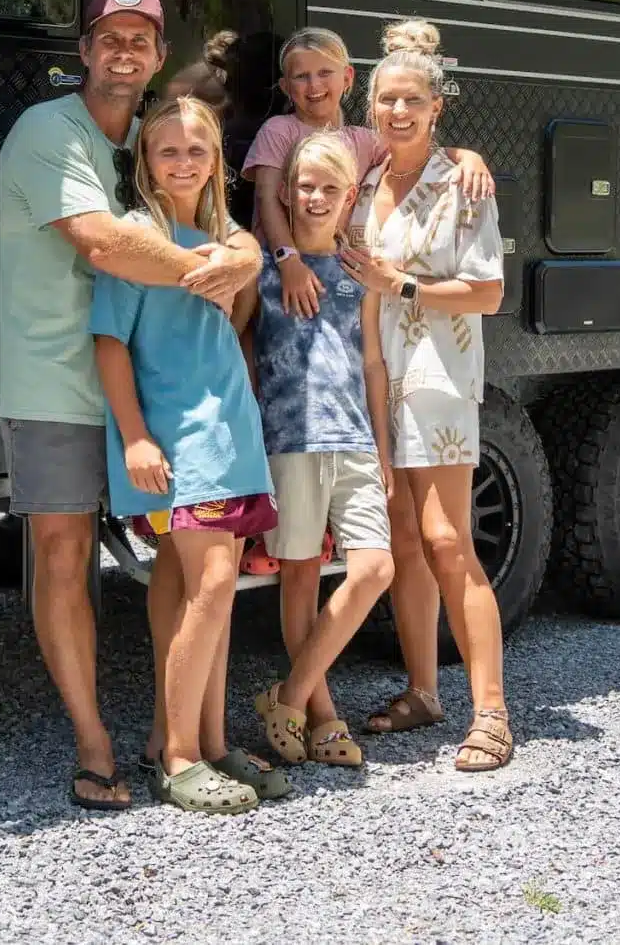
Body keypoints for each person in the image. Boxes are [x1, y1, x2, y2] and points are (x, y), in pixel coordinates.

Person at [0, 0, 263, 812]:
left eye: (142, 40)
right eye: (111, 37)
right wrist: (223, 269)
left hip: (154, 391)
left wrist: (246, 251)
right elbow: (107, 243)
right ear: (85, 51)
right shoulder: (48, 131)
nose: (125, 51)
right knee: (64, 559)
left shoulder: (153, 137)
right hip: (54, 381)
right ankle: (93, 742)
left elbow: (211, 207)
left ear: (156, 57)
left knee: (183, 560)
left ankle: (174, 738)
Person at [92, 95, 284, 815]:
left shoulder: (222, 232)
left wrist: (242, 255)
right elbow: (109, 341)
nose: (182, 161)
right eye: (166, 149)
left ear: (216, 162)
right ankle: (177, 757)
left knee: (196, 584)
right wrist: (136, 434)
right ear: (146, 159)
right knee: (214, 581)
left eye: (196, 150)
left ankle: (206, 739)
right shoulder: (141, 237)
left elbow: (245, 258)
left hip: (226, 431)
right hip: (179, 436)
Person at [341, 19, 515, 773]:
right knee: (404, 539)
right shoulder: (369, 180)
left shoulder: (463, 183)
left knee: (448, 541)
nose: (398, 112)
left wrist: (401, 283)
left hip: (439, 382)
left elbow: (489, 292)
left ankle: (493, 713)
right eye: (386, 100)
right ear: (371, 108)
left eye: (412, 99)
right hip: (375, 380)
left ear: (437, 106)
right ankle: (423, 690)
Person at [244, 129, 396, 771]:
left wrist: (384, 449)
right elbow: (246, 351)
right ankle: (324, 714)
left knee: (373, 570)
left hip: (354, 438)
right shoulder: (261, 268)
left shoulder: (356, 271)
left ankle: (287, 695)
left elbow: (372, 361)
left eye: (330, 189)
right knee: (300, 575)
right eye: (305, 186)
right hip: (290, 439)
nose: (315, 197)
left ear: (349, 196)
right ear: (286, 190)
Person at [243, 25, 494, 323]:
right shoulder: (279, 131)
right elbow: (267, 199)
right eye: (301, 76)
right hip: (282, 268)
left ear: (348, 78)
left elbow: (412, 153)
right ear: (286, 87)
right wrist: (288, 260)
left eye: (325, 73)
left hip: (337, 274)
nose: (314, 86)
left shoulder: (362, 140)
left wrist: (466, 156)